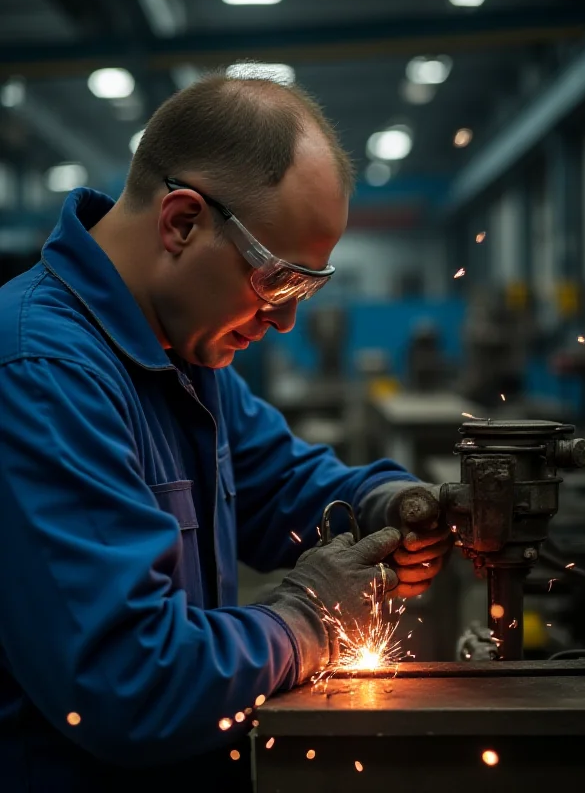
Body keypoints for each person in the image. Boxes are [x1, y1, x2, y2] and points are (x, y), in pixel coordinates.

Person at [0, 72, 452, 791]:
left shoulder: (182, 350)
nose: (285, 321)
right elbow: (129, 682)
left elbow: (280, 484)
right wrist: (307, 618)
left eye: (307, 289)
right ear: (182, 221)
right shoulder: (42, 371)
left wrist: (390, 503)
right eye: (277, 281)